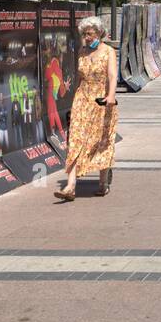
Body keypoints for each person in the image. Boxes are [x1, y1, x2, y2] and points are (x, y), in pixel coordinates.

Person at [54, 16, 119, 200]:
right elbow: (79, 77)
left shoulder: (108, 52)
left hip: (101, 99)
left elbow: (113, 76)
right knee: (75, 139)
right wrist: (72, 95)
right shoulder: (82, 52)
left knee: (102, 140)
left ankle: (103, 181)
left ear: (99, 33)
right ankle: (70, 186)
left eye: (90, 34)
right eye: (84, 34)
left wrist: (111, 96)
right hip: (82, 98)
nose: (87, 37)